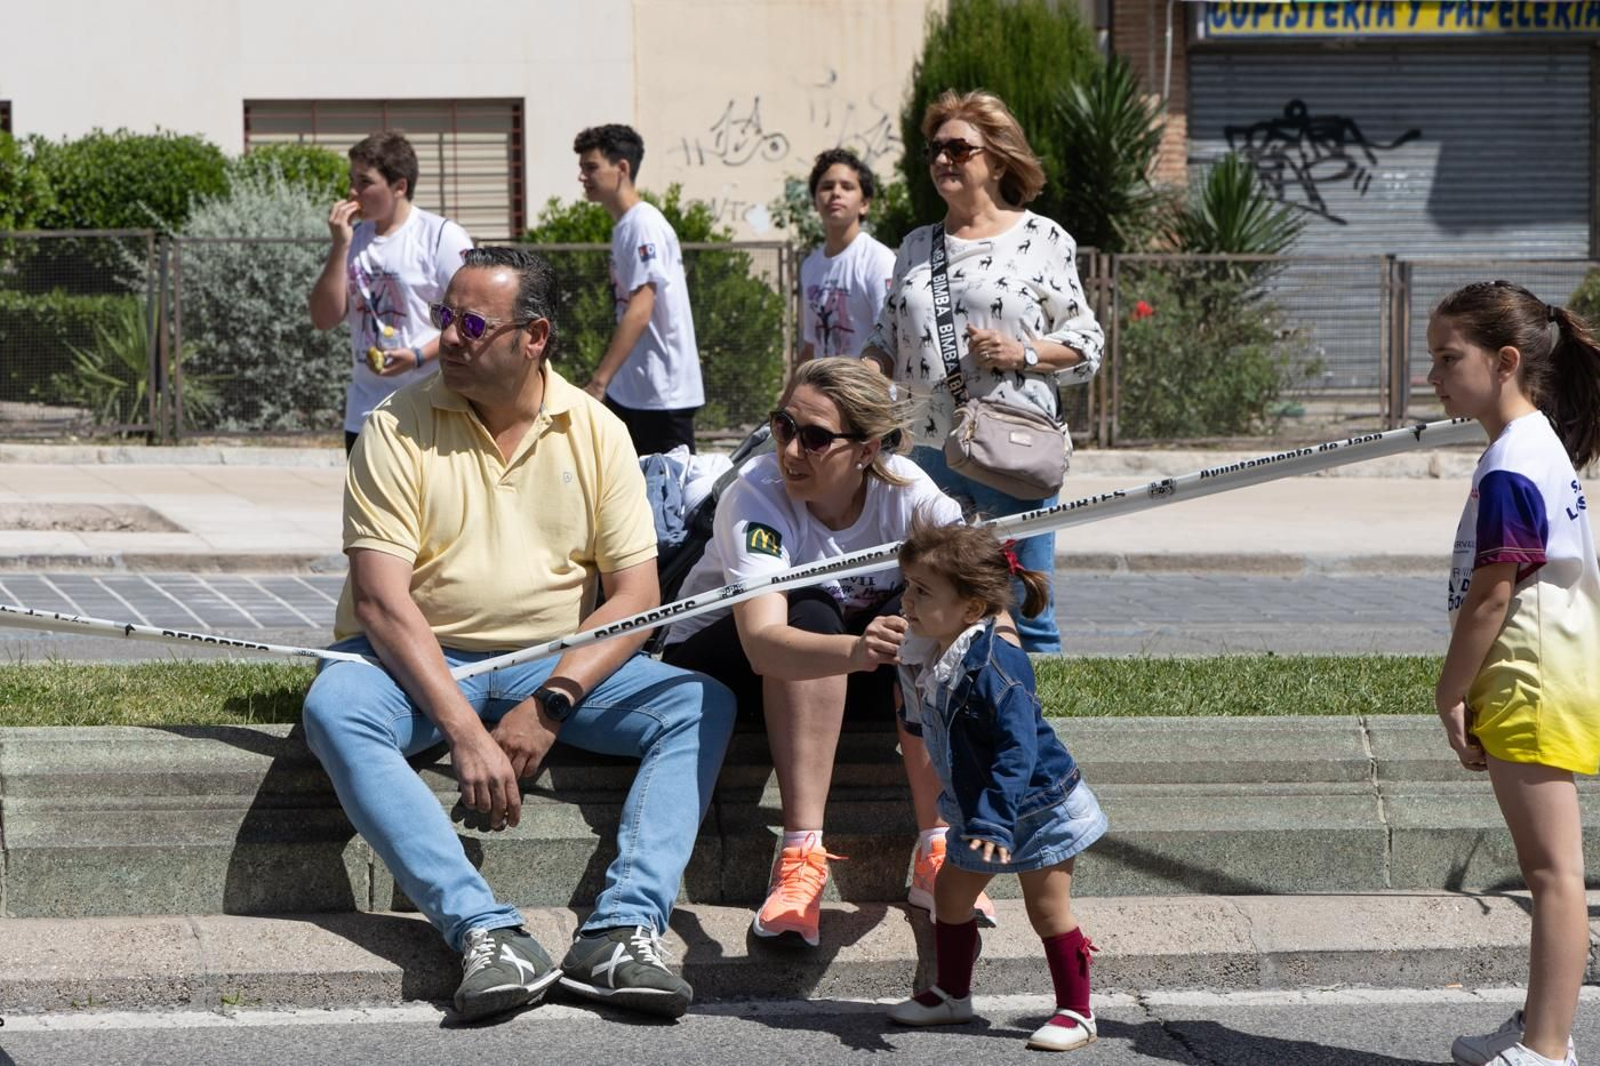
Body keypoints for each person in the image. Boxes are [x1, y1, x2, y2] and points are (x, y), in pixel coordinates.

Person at [301, 247, 736, 1024]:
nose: (451, 339)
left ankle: (623, 932)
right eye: (445, 319)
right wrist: (467, 732)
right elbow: (379, 601)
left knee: (700, 704)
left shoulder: (597, 430)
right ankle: (483, 929)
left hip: (549, 663)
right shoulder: (395, 426)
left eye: (471, 323)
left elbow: (635, 596)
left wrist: (553, 700)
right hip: (419, 662)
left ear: (533, 336)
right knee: (336, 706)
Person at [662, 356, 996, 947]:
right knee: (811, 603)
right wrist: (856, 647)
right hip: (722, 658)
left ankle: (937, 849)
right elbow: (764, 644)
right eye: (783, 427)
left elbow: (989, 612)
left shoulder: (913, 497)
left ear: (867, 450)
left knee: (932, 618)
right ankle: (799, 862)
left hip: (845, 665)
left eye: (815, 438)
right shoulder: (757, 494)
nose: (791, 450)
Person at [861, 89, 1103, 654]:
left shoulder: (1043, 239)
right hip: (926, 452)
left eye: (958, 148)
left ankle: (1036, 730)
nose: (943, 159)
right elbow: (883, 338)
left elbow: (1087, 342)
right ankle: (941, 727)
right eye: (935, 149)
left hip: (1011, 451)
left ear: (995, 158)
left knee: (1025, 606)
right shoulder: (916, 246)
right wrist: (866, 376)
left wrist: (1023, 354)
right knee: (931, 606)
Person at [1426, 281, 1598, 1066]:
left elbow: (1495, 594)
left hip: (1529, 668)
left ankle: (1547, 1049)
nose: (1432, 375)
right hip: (1544, 661)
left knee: (1553, 872)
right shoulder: (1530, 446)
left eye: (1446, 358)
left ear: (1504, 361)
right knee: (1550, 867)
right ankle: (1538, 1024)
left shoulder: (1511, 463)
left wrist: (1449, 690)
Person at [885, 519, 1108, 1052]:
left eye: (922, 591)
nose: (907, 601)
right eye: (907, 586)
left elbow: (1018, 748)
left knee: (1047, 908)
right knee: (950, 895)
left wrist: (992, 818)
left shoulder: (996, 665)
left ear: (970, 609)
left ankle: (1078, 1012)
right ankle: (952, 995)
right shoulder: (933, 648)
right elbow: (931, 717)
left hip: (1036, 806)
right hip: (979, 808)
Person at [308, 131, 474, 453]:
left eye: (364, 182)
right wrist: (340, 245)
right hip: (365, 412)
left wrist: (416, 357)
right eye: (351, 180)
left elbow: (472, 320)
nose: (352, 192)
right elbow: (323, 318)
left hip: (430, 407)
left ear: (400, 187)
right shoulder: (353, 239)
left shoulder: (440, 236)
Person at [574, 123, 704, 455]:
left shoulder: (643, 224)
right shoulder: (625, 227)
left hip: (661, 395)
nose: (582, 176)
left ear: (622, 169)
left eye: (591, 167)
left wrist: (599, 382)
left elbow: (640, 309)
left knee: (667, 500)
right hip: (632, 390)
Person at [799, 149, 896, 361]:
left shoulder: (879, 260)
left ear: (864, 204)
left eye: (847, 187)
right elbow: (810, 346)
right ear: (815, 202)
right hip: (823, 391)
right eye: (826, 186)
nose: (835, 192)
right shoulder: (809, 266)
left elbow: (892, 342)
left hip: (865, 391)